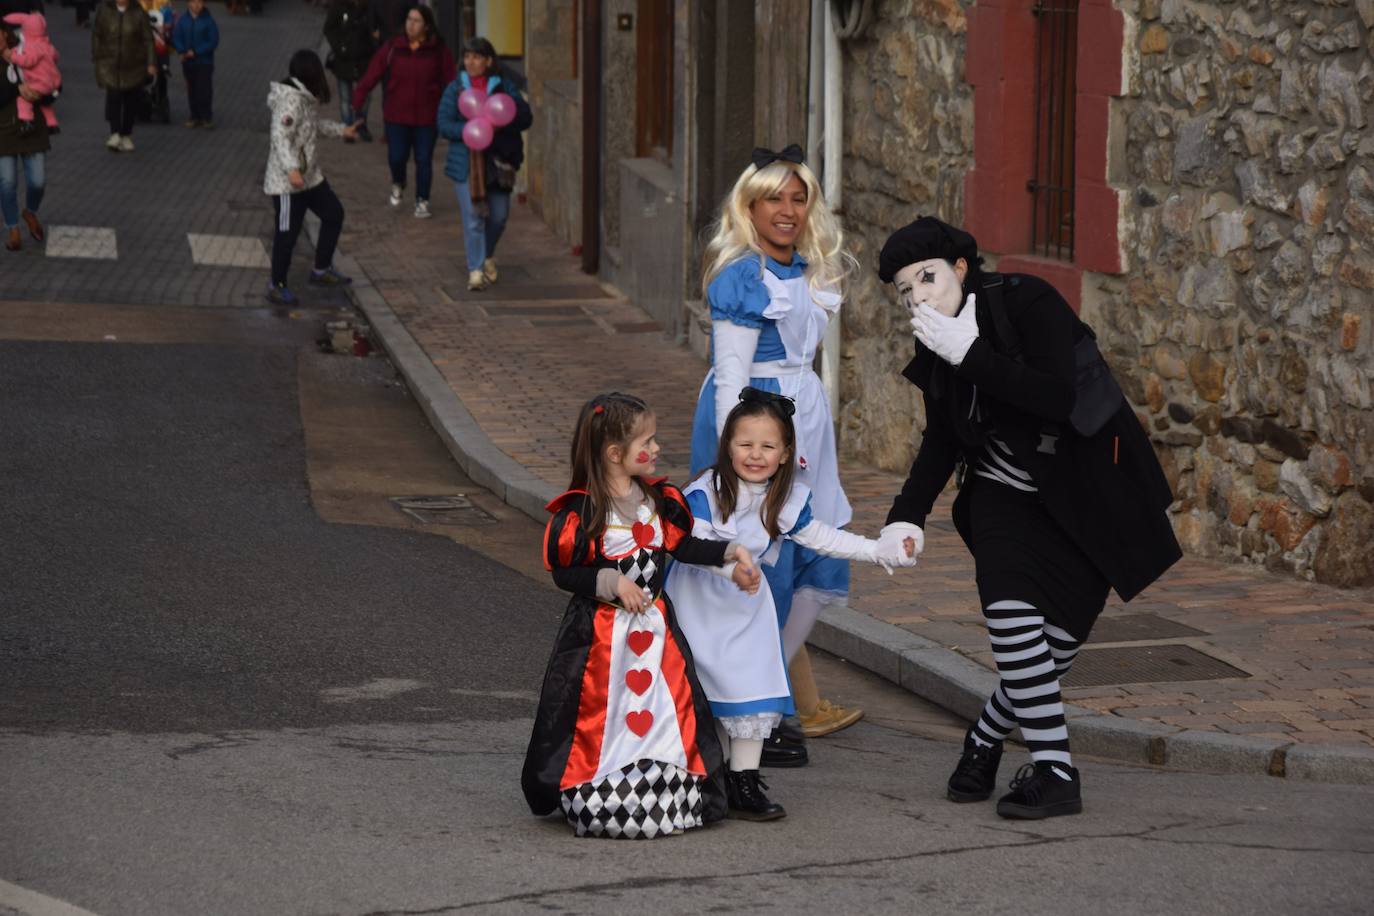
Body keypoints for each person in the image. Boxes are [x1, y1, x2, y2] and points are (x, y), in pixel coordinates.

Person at [876, 216, 1182, 819]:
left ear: (961, 268)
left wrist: (972, 356)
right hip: (1001, 498)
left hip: (1083, 496)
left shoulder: (1030, 302)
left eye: (928, 279)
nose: (920, 298)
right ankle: (1056, 771)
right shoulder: (933, 343)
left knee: (1052, 651)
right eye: (907, 290)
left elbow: (1056, 398)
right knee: (1012, 622)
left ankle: (984, 740)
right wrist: (903, 516)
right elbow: (941, 439)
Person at [690, 144, 863, 766]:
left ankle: (766, 696)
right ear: (750, 206)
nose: (788, 211)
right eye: (774, 199)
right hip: (756, 418)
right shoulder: (742, 274)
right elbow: (731, 375)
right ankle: (754, 708)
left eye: (798, 198)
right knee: (762, 562)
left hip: (804, 416)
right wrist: (736, 459)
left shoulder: (811, 270)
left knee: (813, 556)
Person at [667, 389, 916, 821]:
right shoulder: (703, 493)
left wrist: (879, 550)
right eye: (745, 444)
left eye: (768, 446)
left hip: (746, 612)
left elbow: (822, 536)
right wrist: (731, 569)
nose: (756, 454)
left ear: (785, 454)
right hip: (699, 608)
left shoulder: (782, 500)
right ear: (727, 445)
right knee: (707, 694)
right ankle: (710, 777)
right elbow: (694, 545)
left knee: (750, 691)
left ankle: (744, 780)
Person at [521, 391, 762, 839]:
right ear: (615, 454)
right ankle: (602, 788)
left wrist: (730, 553)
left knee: (667, 707)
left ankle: (666, 793)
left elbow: (682, 547)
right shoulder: (585, 511)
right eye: (645, 443)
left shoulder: (657, 501)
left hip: (655, 631)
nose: (655, 450)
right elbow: (565, 572)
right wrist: (611, 582)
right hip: (600, 640)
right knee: (601, 713)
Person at [262, 49, 360, 305]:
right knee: (287, 233)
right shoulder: (290, 101)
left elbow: (312, 127)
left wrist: (341, 131)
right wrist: (292, 169)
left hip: (309, 178)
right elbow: (280, 136)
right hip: (287, 183)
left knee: (333, 213)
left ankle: (321, 269)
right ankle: (277, 283)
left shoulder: (304, 98)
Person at [436, 36, 531, 291]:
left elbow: (524, 117)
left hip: (498, 162)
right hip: (467, 163)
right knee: (474, 216)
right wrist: (469, 129)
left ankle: (487, 253)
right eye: (467, 57)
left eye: (477, 57)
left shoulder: (503, 87)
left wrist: (500, 121)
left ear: (488, 61)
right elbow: (443, 123)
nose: (471, 61)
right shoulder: (456, 89)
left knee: (499, 217)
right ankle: (475, 270)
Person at [351, 4, 453, 219]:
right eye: (409, 19)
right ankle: (399, 181)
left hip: (427, 117)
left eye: (416, 21)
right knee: (397, 157)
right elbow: (372, 74)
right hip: (396, 116)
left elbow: (450, 79)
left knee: (424, 159)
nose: (411, 25)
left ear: (426, 26)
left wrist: (454, 104)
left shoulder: (437, 49)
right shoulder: (393, 47)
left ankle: (422, 200)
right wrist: (358, 99)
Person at [0, 12, 47, 252]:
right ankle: (13, 229)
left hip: (32, 130)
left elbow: (51, 78)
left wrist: (45, 92)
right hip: (3, 132)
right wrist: (17, 89)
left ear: (5, 34)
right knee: (6, 183)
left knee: (38, 181)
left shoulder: (27, 51)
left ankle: (30, 211)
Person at [91, 0, 156, 152]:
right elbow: (97, 34)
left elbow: (148, 39)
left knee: (130, 101)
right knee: (113, 98)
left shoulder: (139, 13)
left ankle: (126, 133)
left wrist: (151, 62)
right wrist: (96, 54)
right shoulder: (105, 11)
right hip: (110, 64)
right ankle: (114, 133)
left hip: (133, 65)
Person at [2, 11, 60, 136]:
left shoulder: (31, 46)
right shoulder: (46, 44)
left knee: (23, 100)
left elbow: (27, 61)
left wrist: (13, 56)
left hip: (38, 83)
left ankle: (27, 121)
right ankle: (52, 123)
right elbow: (55, 56)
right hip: (51, 82)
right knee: (45, 104)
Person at [323, 0, 374, 141]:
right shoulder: (339, 7)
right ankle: (347, 126)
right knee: (345, 97)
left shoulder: (369, 7)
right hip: (344, 60)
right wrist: (340, 47)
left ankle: (360, 124)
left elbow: (375, 28)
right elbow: (329, 28)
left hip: (364, 60)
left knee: (365, 95)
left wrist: (372, 45)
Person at [171, 0, 217, 128]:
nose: (197, 5)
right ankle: (194, 115)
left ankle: (206, 117)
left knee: (204, 89)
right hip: (188, 61)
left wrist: (196, 51)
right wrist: (181, 50)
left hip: (204, 62)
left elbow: (213, 41)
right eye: (194, 2)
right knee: (192, 89)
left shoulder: (208, 21)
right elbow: (176, 36)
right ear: (188, 4)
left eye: (200, 2)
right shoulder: (183, 20)